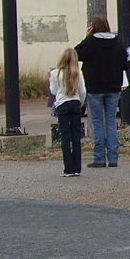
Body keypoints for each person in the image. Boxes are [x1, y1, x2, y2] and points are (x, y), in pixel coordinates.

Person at [75, 15, 130, 168]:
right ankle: (113, 158)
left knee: (98, 122)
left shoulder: (91, 42)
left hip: (95, 87)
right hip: (113, 87)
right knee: (111, 122)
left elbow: (77, 53)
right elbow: (125, 63)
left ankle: (99, 158)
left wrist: (87, 37)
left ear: (93, 27)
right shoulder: (117, 41)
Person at [49, 47, 86, 178]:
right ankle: (77, 168)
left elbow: (53, 91)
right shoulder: (78, 73)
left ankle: (68, 168)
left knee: (65, 136)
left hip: (62, 104)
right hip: (75, 102)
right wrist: (80, 104)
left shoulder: (55, 73)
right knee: (76, 136)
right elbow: (82, 91)